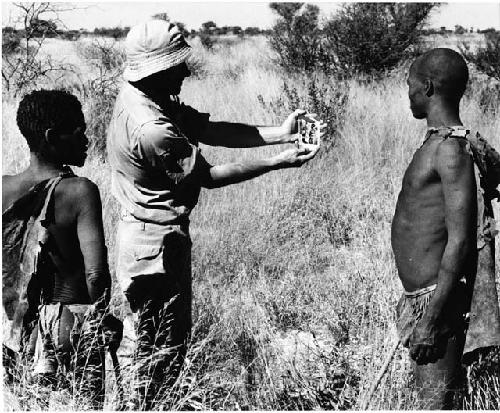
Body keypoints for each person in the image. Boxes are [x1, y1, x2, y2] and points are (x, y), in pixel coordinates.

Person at [107, 19, 323, 410]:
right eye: (177, 65)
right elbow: (209, 176)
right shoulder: (151, 128)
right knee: (157, 350)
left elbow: (208, 129)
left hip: (151, 237)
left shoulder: (146, 96)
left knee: (157, 344)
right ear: (158, 69)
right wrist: (277, 162)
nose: (185, 72)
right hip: (154, 245)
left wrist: (281, 131)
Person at [391, 48, 500, 409]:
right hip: (424, 298)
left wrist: (432, 319)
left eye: (410, 85)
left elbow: (462, 240)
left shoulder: (450, 150)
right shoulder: (439, 143)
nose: (407, 93)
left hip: (437, 301)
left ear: (428, 86)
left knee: (438, 404)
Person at [2, 90, 120, 409]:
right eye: (77, 130)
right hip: (70, 323)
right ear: (52, 137)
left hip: (15, 329)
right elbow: (95, 274)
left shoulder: (3, 188)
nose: (86, 138)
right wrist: (104, 318)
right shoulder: (80, 190)